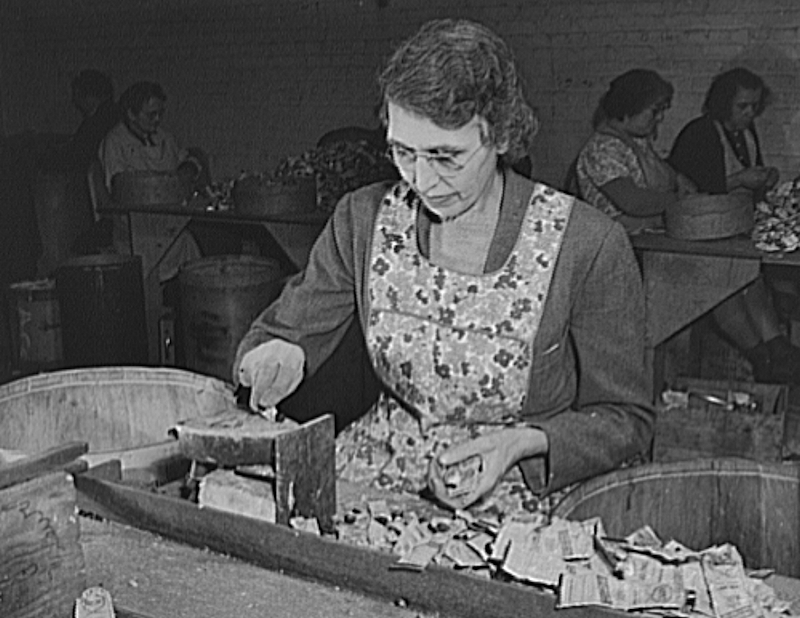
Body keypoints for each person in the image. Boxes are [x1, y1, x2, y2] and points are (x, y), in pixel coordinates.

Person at [233, 19, 654, 517]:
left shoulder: (585, 244)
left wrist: (522, 443)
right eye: (403, 152)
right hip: (378, 472)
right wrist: (277, 355)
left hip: (514, 487)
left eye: (446, 157)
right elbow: (284, 331)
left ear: (500, 136)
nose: (422, 181)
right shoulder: (364, 218)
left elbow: (627, 421)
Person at [668, 68, 800, 384]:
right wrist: (741, 179)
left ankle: (777, 351)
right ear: (724, 103)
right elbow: (691, 191)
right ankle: (765, 354)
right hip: (698, 237)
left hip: (731, 230)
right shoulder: (699, 132)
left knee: (748, 278)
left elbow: (748, 179)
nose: (749, 113)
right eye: (743, 106)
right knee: (726, 286)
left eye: (754, 106)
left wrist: (764, 180)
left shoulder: (745, 133)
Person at [575, 69, 694, 234]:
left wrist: (679, 179)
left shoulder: (637, 142)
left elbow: (662, 176)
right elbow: (634, 202)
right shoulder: (602, 150)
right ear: (631, 107)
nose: (660, 118)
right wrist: (681, 201)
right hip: (617, 242)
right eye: (655, 110)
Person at [98, 81, 204, 191]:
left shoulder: (165, 138)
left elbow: (187, 160)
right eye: (151, 115)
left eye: (160, 113)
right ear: (131, 114)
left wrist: (188, 168)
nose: (157, 119)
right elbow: (119, 186)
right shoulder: (114, 142)